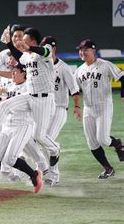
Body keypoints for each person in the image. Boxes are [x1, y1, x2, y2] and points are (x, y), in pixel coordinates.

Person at [0, 27, 60, 170]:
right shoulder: (27, 57)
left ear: (32, 41)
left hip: (44, 99)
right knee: (5, 105)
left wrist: (28, 47)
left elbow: (43, 51)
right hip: (29, 95)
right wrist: (8, 43)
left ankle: (55, 149)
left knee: (39, 136)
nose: (21, 42)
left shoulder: (46, 53)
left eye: (24, 40)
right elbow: (18, 55)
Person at [0, 64, 44, 197]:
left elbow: (18, 103)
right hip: (7, 125)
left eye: (15, 72)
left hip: (23, 125)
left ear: (24, 73)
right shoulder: (11, 86)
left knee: (10, 159)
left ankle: (34, 175)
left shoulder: (29, 88)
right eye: (12, 73)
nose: (12, 75)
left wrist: (2, 93)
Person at [74, 39, 124, 179]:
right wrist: (76, 106)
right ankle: (108, 168)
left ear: (93, 50)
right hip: (88, 109)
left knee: (103, 139)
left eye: (85, 49)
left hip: (104, 106)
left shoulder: (105, 65)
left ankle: (118, 144)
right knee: (92, 142)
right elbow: (74, 90)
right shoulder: (79, 70)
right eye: (80, 49)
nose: (82, 52)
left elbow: (122, 77)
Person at [41, 36, 81, 186]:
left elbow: (74, 90)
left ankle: (53, 174)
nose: (47, 49)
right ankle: (45, 170)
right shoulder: (40, 65)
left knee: (47, 139)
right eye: (44, 47)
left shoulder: (63, 68)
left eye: (49, 47)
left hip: (59, 108)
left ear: (54, 48)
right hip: (44, 108)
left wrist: (77, 107)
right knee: (40, 139)